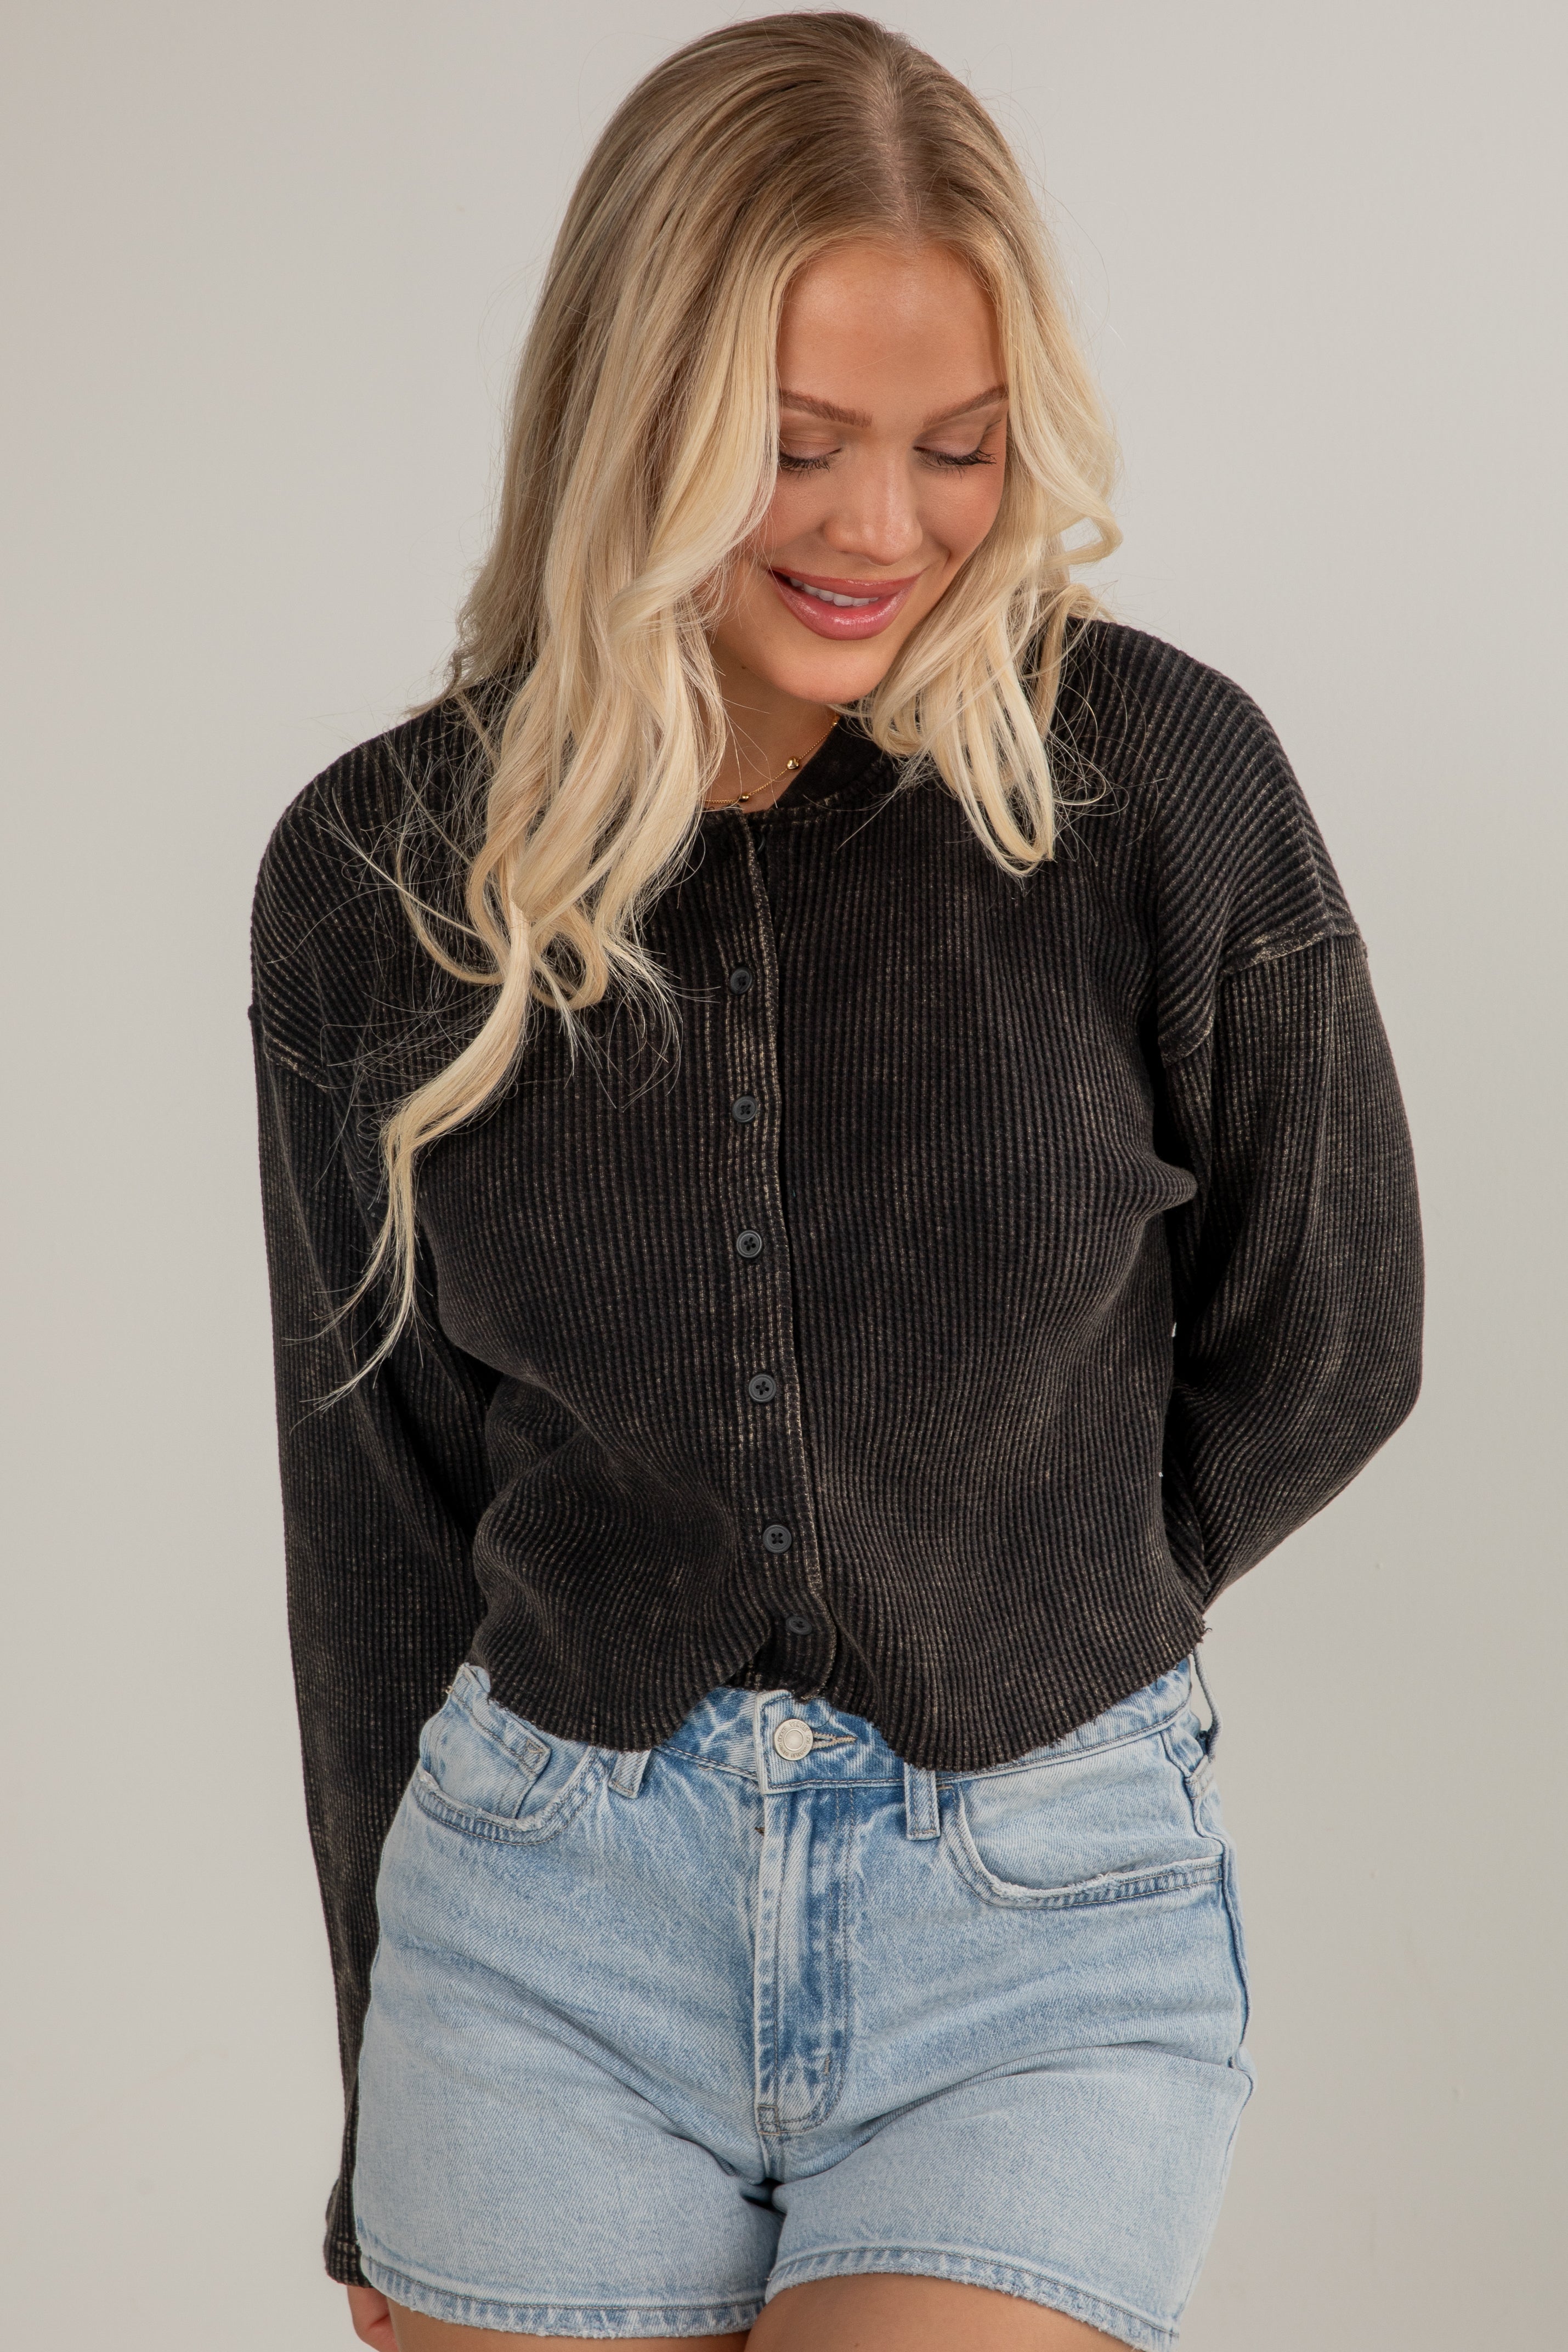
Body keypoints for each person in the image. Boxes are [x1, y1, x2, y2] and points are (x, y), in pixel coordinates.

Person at [251, 14, 1423, 2350]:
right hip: (540, 1940)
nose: (881, 527)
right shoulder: (378, 874)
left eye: (952, 446)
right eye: (790, 448)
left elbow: (1335, 1329)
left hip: (1036, 1922)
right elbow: (376, 1514)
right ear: (631, 426)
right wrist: (383, 2114)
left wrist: (1048, 1606)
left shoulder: (1158, 789)